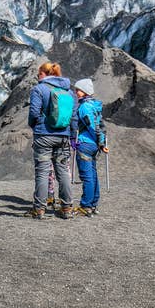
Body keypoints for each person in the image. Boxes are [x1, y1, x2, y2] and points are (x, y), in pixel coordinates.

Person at [24, 62, 77, 219]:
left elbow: (34, 112)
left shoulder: (39, 89)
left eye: (38, 73)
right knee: (63, 172)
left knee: (42, 171)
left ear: (44, 74)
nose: (37, 76)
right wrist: (71, 135)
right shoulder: (69, 92)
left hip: (44, 136)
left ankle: (39, 209)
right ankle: (66, 208)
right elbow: (74, 117)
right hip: (63, 137)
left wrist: (37, 125)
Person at [71, 78, 105, 217]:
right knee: (93, 175)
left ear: (84, 91)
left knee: (87, 177)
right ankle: (93, 204)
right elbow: (100, 126)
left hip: (85, 144)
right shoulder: (94, 106)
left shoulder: (84, 107)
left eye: (78, 90)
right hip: (93, 146)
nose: (76, 92)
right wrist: (100, 142)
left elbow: (91, 125)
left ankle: (85, 205)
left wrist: (100, 140)